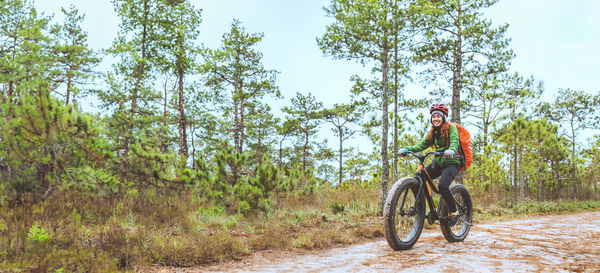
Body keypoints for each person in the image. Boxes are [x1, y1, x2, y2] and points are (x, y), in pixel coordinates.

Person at [399, 103, 462, 225]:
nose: (436, 119)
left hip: (452, 163)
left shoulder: (451, 128)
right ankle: (423, 208)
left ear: (443, 117)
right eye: (434, 117)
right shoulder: (433, 132)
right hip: (438, 162)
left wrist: (452, 150)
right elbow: (421, 145)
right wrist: (407, 149)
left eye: (438, 116)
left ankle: (455, 213)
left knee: (443, 186)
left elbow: (454, 141)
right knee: (419, 177)